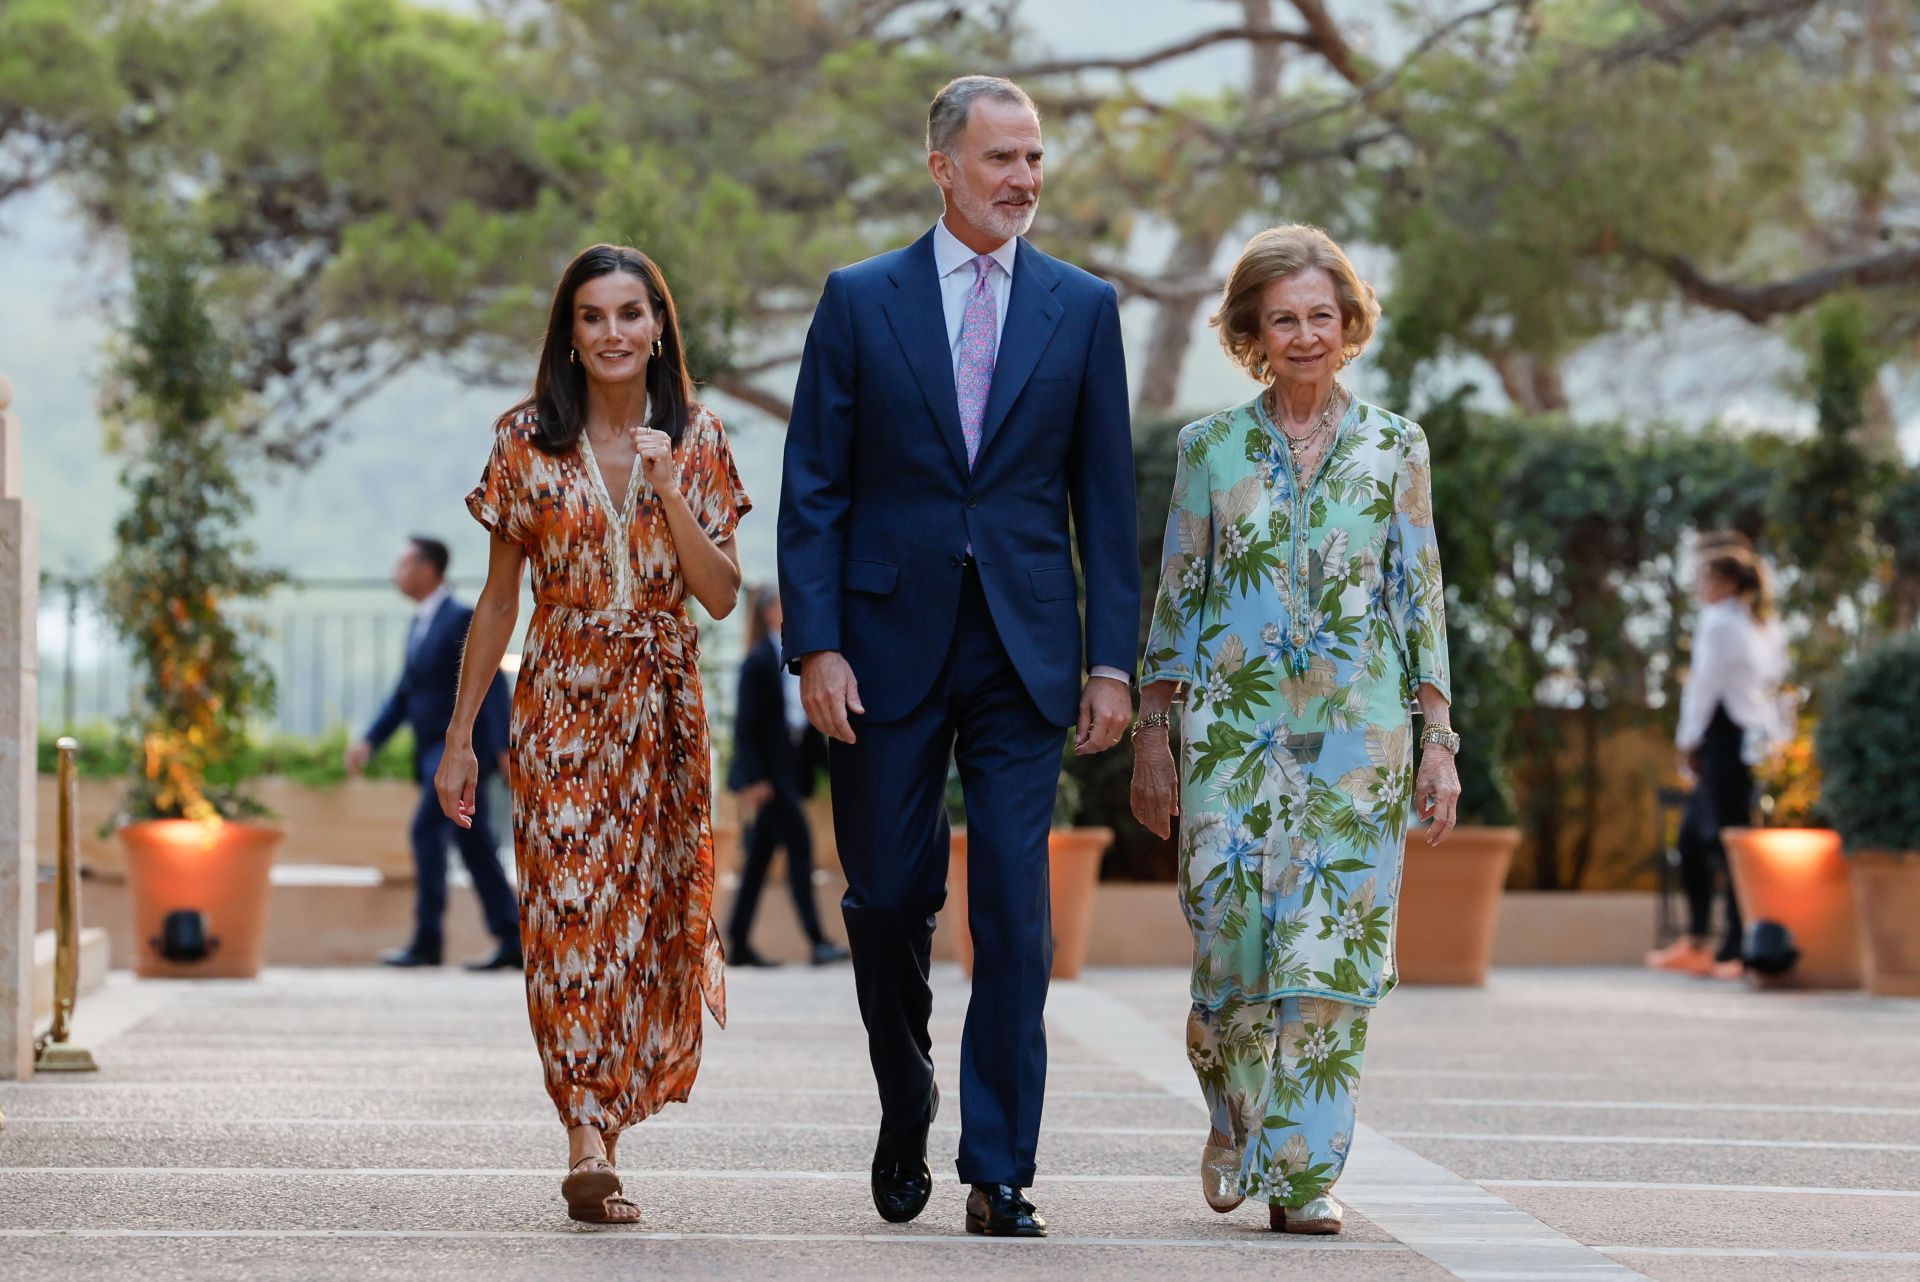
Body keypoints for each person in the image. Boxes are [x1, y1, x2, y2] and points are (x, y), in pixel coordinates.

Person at [778, 75, 1138, 1238]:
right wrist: (817, 642)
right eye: (1001, 159)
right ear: (943, 165)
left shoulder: (1083, 308)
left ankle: (1000, 1165)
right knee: (886, 897)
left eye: (1035, 159)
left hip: (1027, 648)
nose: (1024, 179)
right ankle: (907, 1091)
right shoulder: (859, 298)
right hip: (880, 646)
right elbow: (814, 486)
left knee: (1017, 913)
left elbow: (1105, 498)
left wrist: (1112, 662)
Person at [1130, 224, 1460, 1236]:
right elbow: (1179, 592)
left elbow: (1420, 592)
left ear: (1349, 324)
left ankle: (1304, 1176)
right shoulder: (1208, 448)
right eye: (1285, 319)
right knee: (1231, 948)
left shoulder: (1394, 446)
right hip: (1233, 740)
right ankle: (1236, 1118)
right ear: (1252, 332)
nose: (1307, 335)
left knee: (1329, 967)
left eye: (1323, 315)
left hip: (1362, 743)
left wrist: (1439, 736)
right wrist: (1155, 731)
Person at [436, 243, 749, 1226]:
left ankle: (609, 1117)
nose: (613, 333)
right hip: (562, 701)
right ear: (569, 336)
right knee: (569, 914)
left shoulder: (698, 438)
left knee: (643, 928)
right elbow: (496, 604)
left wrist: (665, 488)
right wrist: (459, 738)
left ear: (658, 326)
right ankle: (586, 1135)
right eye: (592, 317)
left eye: (630, 314)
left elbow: (723, 594)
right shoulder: (523, 441)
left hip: (663, 708)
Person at [346, 536, 520, 971]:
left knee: (428, 833)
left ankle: (428, 940)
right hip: (429, 756)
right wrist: (371, 739)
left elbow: (493, 684)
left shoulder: (460, 618)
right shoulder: (421, 623)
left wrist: (502, 747)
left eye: (403, 562)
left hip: (460, 756)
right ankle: (512, 937)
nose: (396, 571)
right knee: (475, 846)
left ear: (428, 569)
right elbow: (407, 694)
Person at [1648, 544, 1786, 979]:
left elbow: (1704, 687)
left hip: (1724, 740)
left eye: (1705, 577)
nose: (1699, 586)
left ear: (1726, 581)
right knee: (1706, 842)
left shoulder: (1720, 622)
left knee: (1720, 845)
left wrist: (1689, 739)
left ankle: (1729, 949)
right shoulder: (1756, 623)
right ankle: (1707, 943)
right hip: (1745, 743)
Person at [724, 584, 849, 967]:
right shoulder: (758, 662)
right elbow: (746, 728)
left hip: (792, 767)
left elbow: (803, 722)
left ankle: (739, 941)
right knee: (800, 848)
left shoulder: (799, 653)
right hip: (771, 775)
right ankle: (817, 941)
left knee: (760, 858)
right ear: (767, 612)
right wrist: (755, 778)